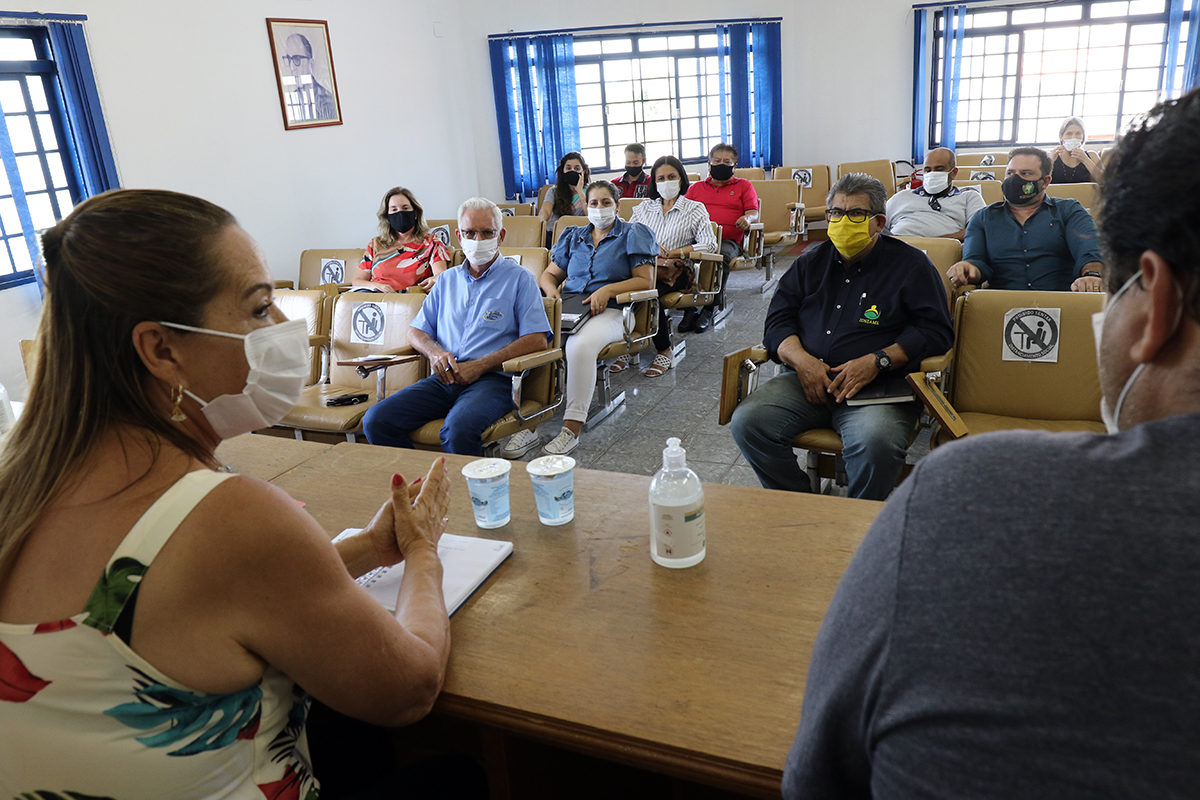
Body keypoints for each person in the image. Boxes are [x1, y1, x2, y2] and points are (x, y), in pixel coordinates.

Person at [0, 189, 490, 799]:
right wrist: (421, 553)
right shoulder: (227, 517)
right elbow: (410, 686)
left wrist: (367, 548)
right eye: (261, 309)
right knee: (458, 777)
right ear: (161, 349)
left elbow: (200, 600)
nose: (287, 331)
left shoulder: (16, 486)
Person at [783, 88, 1200, 800]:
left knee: (879, 440)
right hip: (846, 364)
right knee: (756, 420)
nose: (846, 224)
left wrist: (1092, 275)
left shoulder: (973, 496)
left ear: (1151, 303)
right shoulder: (844, 257)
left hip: (914, 373)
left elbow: (818, 775)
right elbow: (789, 316)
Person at [729, 173, 953, 501]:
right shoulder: (809, 263)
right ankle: (802, 506)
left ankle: (855, 524)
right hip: (806, 381)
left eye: (856, 215)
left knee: (876, 442)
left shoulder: (911, 266)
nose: (843, 221)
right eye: (836, 212)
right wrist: (803, 362)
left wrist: (878, 360)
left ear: (878, 222)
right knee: (748, 422)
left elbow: (935, 331)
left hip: (878, 387)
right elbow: (777, 322)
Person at [363, 198, 552, 457]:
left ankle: (467, 496)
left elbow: (537, 339)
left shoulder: (520, 279)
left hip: (492, 381)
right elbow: (416, 331)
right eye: (469, 232)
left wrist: (480, 365)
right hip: (444, 379)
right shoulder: (446, 280)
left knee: (458, 428)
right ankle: (422, 486)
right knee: (376, 420)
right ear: (458, 237)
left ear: (501, 236)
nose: (478, 239)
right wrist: (434, 353)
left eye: (487, 232)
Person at [510, 180, 654, 457]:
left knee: (579, 345)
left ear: (617, 205)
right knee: (535, 342)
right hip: (571, 308)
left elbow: (645, 281)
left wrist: (608, 289)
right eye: (593, 203)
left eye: (605, 202)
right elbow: (549, 275)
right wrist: (552, 294)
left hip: (615, 310)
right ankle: (528, 426)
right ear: (585, 206)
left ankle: (570, 430)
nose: (599, 208)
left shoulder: (633, 233)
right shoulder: (574, 236)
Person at [947, 147, 1104, 293]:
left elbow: (1089, 251)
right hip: (1000, 304)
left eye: (1026, 173)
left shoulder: (1069, 211)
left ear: (1046, 181)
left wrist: (1091, 275)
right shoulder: (983, 218)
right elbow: (975, 260)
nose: (1015, 179)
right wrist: (968, 268)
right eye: (1010, 173)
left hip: (1060, 301)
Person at [619, 154, 717, 377]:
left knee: (648, 293)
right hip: (645, 267)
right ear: (654, 181)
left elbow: (710, 244)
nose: (666, 182)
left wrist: (677, 252)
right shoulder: (644, 208)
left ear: (681, 179)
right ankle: (629, 343)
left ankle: (664, 349)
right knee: (620, 289)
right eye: (660, 178)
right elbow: (627, 237)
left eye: (671, 176)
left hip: (675, 271)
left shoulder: (695, 208)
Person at [684, 142, 760, 333]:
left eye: (727, 162)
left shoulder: (743, 185)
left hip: (726, 240)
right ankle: (688, 309)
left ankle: (710, 306)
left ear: (735, 166)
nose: (721, 164)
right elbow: (683, 215)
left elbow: (753, 211)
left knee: (721, 257)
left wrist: (747, 218)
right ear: (709, 164)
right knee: (682, 257)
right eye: (717, 161)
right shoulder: (695, 188)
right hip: (698, 239)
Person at [353, 186, 450, 293]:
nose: (400, 213)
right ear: (387, 217)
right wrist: (377, 286)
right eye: (394, 209)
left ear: (416, 213)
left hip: (411, 300)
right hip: (377, 297)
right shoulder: (376, 244)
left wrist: (434, 279)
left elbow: (441, 274)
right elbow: (358, 280)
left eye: (405, 208)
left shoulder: (432, 242)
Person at [884, 147, 986, 241]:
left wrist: (933, 244)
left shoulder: (969, 197)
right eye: (927, 170)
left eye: (939, 169)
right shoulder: (901, 196)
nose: (932, 174)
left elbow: (978, 231)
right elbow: (877, 226)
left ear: (954, 172)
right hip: (896, 250)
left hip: (941, 252)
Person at [282, 32, 336, 121]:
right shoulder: (289, 101)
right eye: (289, 59)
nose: (292, 67)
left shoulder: (329, 101)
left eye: (297, 59)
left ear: (311, 64)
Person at [538, 151, 591, 239]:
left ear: (583, 172)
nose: (572, 171)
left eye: (577, 169)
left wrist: (581, 193)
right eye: (568, 168)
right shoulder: (553, 191)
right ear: (563, 171)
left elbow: (591, 217)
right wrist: (540, 220)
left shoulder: (591, 191)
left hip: (581, 236)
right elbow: (546, 210)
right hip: (555, 236)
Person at [1050, 116, 1105, 183]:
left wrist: (1085, 160)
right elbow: (1040, 183)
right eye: (1069, 134)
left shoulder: (1091, 155)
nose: (1074, 137)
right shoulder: (1052, 156)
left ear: (1083, 136)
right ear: (1061, 137)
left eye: (1078, 133)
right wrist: (1050, 162)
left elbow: (1105, 182)